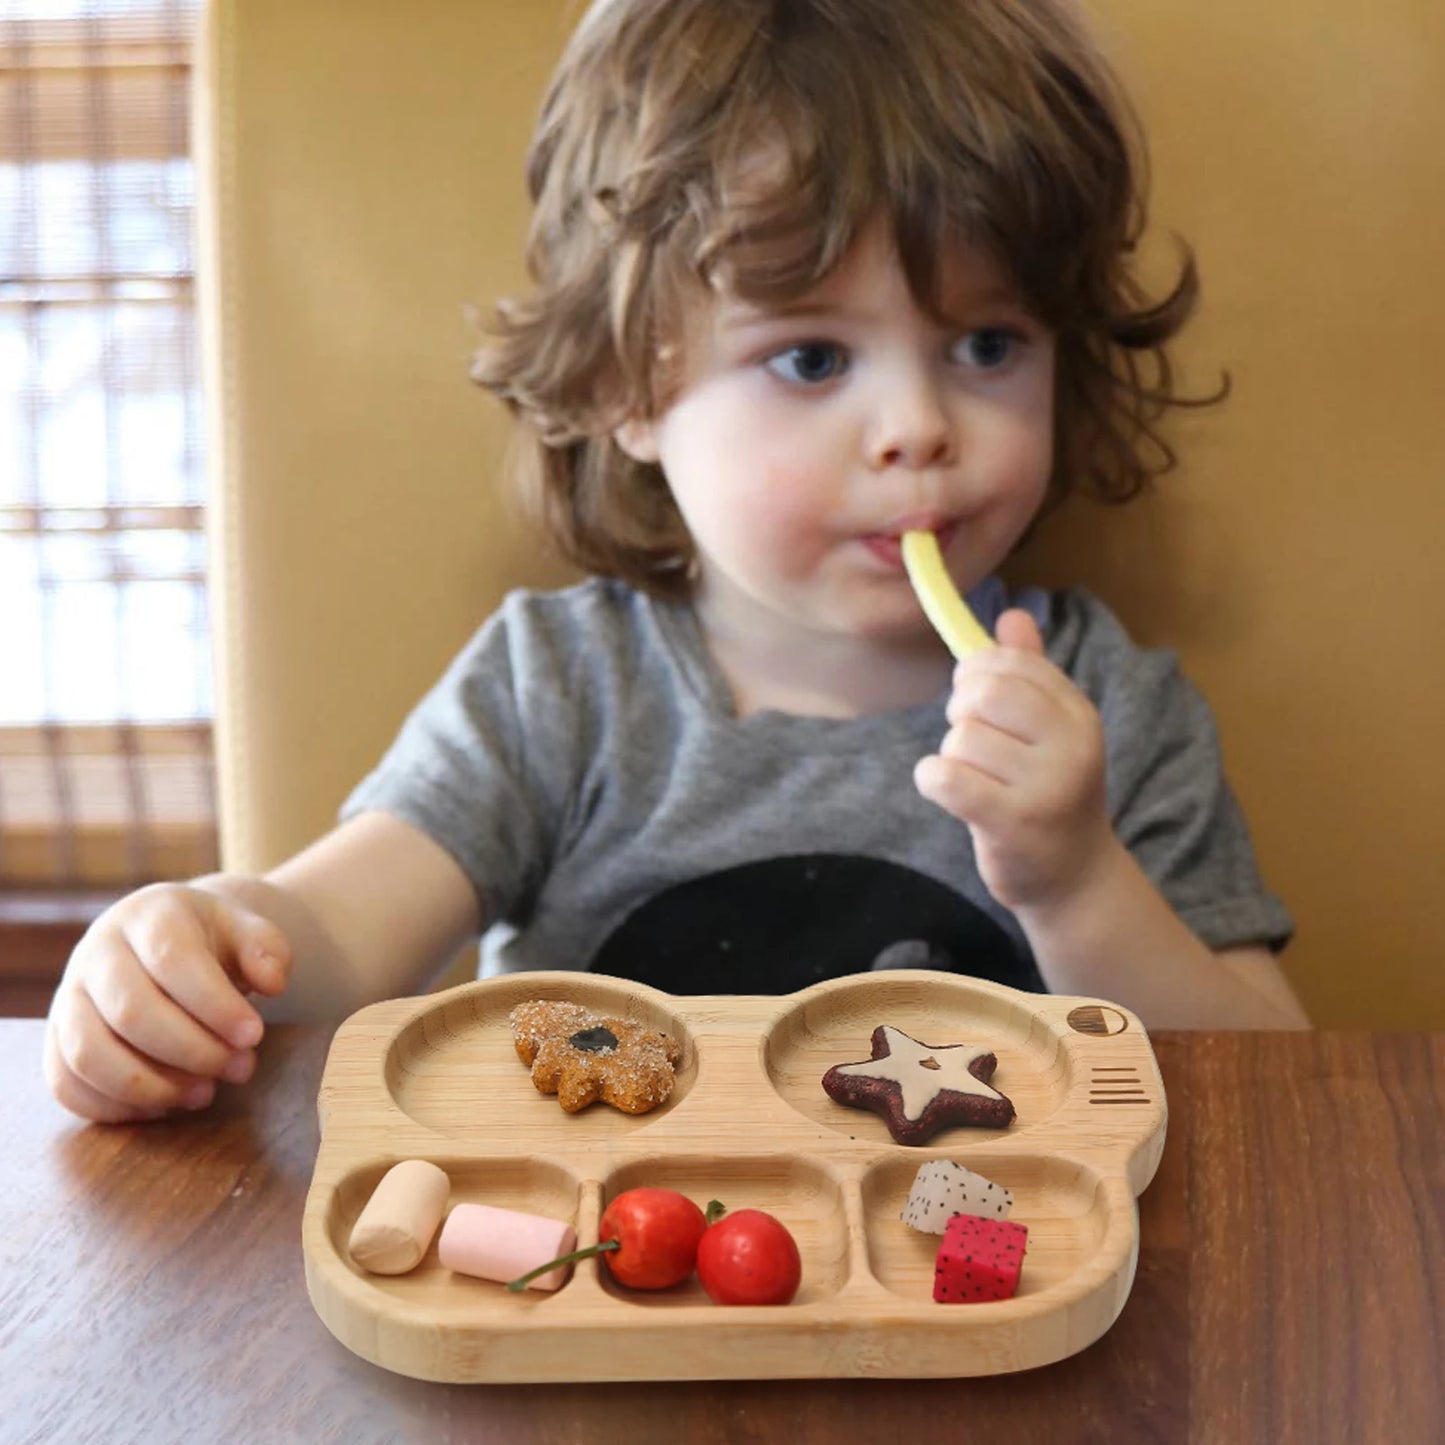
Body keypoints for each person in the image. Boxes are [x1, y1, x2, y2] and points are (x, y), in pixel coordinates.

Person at [45, 0, 1309, 1124]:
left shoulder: (1112, 711)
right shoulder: (562, 688)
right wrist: (199, 946)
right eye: (812, 358)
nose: (916, 425)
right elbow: (329, 936)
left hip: (976, 1322)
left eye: (985, 344)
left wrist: (1075, 877)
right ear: (624, 388)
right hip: (594, 1312)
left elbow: (1269, 1094)